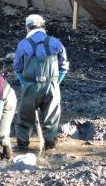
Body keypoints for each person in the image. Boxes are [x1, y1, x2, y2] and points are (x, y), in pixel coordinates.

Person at [13, 14, 69, 151]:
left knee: (25, 118)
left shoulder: (23, 44)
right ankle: (50, 146)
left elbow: (17, 69)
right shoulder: (56, 42)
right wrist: (56, 83)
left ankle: (22, 146)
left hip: (31, 86)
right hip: (52, 86)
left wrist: (24, 84)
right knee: (51, 118)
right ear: (43, 26)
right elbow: (63, 67)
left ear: (27, 28)